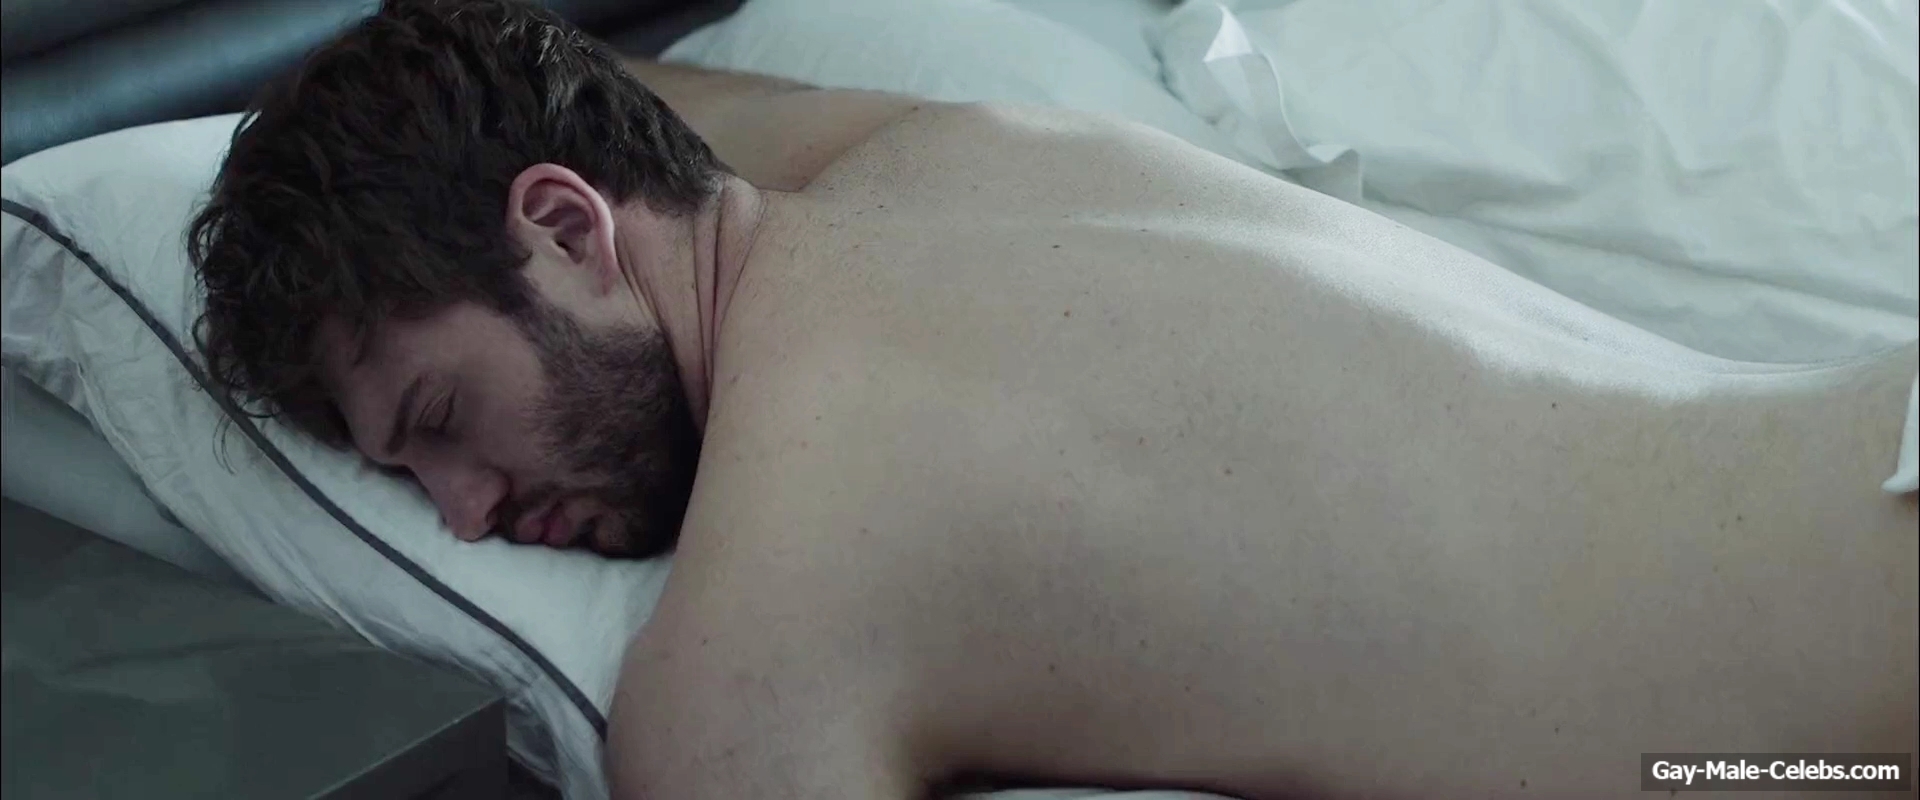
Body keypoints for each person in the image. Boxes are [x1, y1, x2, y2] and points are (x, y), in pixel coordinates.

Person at [188, 1, 1917, 797]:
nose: (468, 517)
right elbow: (677, 120)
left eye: (437, 421)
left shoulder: (763, 631)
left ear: (569, 230)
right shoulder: (972, 152)